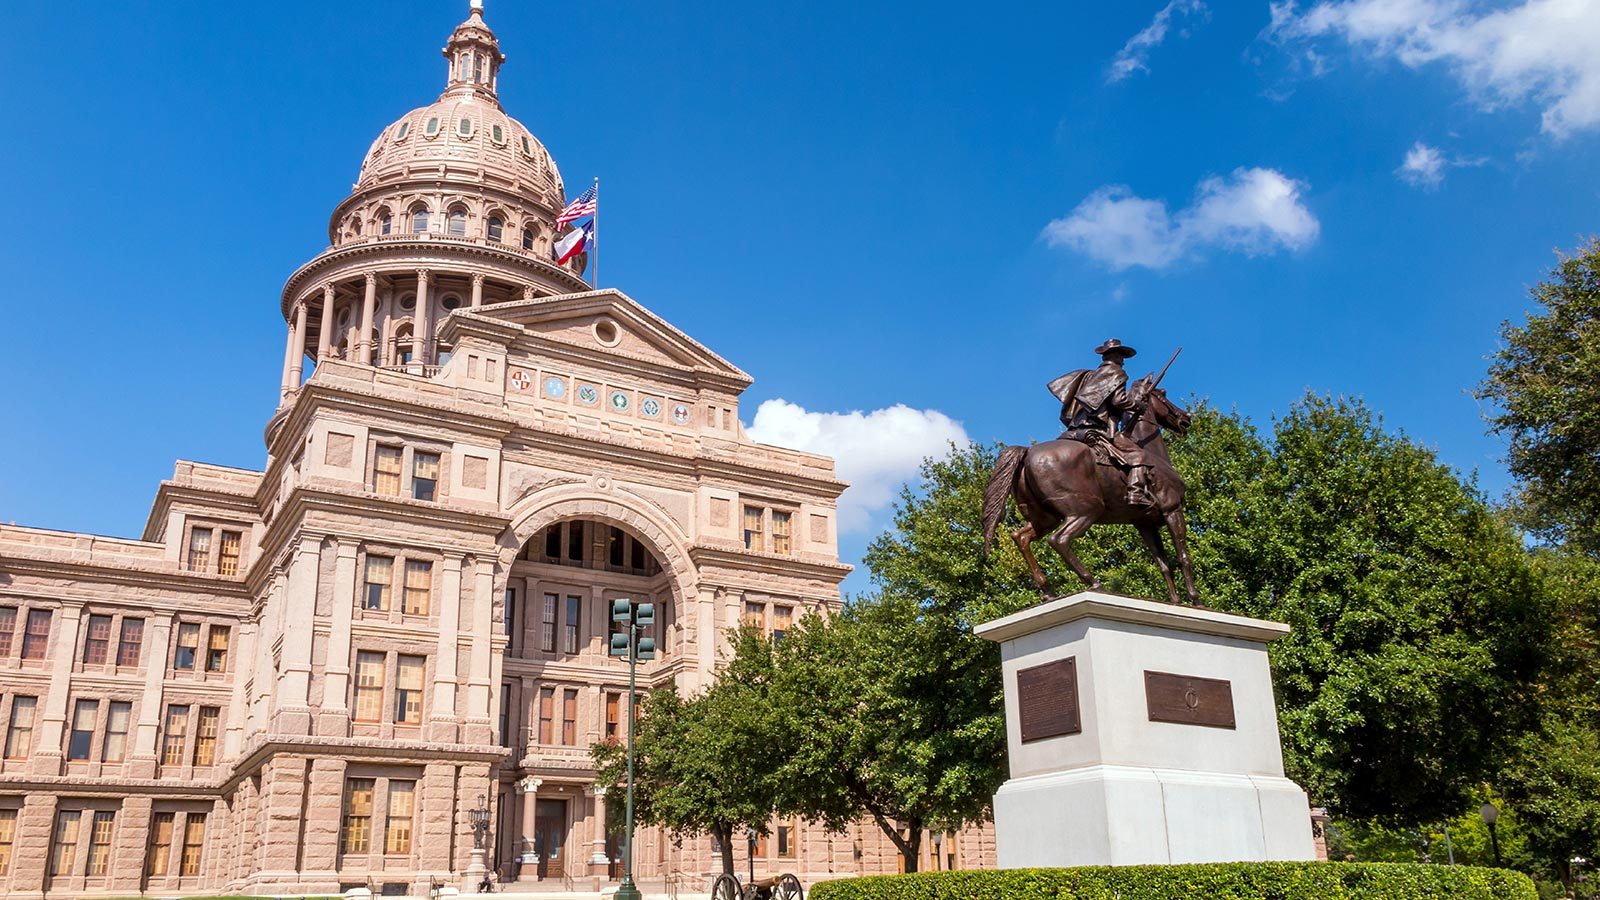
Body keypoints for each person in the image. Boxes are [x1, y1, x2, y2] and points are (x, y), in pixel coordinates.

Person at [1047, 338, 1154, 506]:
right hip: (1097, 428)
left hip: (1075, 429)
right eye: (1121, 356)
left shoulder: (1089, 375)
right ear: (1115, 356)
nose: (1123, 361)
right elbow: (1118, 401)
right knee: (1139, 455)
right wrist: (1136, 405)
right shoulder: (1117, 373)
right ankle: (1136, 493)